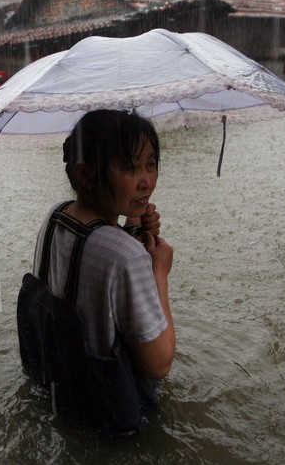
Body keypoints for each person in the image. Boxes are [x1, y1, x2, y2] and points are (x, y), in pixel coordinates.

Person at [29, 110, 176, 421]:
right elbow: (158, 364)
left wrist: (135, 223)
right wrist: (159, 272)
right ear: (85, 175)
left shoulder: (55, 216)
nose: (146, 180)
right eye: (130, 167)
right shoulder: (127, 257)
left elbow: (94, 256)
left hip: (61, 388)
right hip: (113, 412)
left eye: (151, 164)